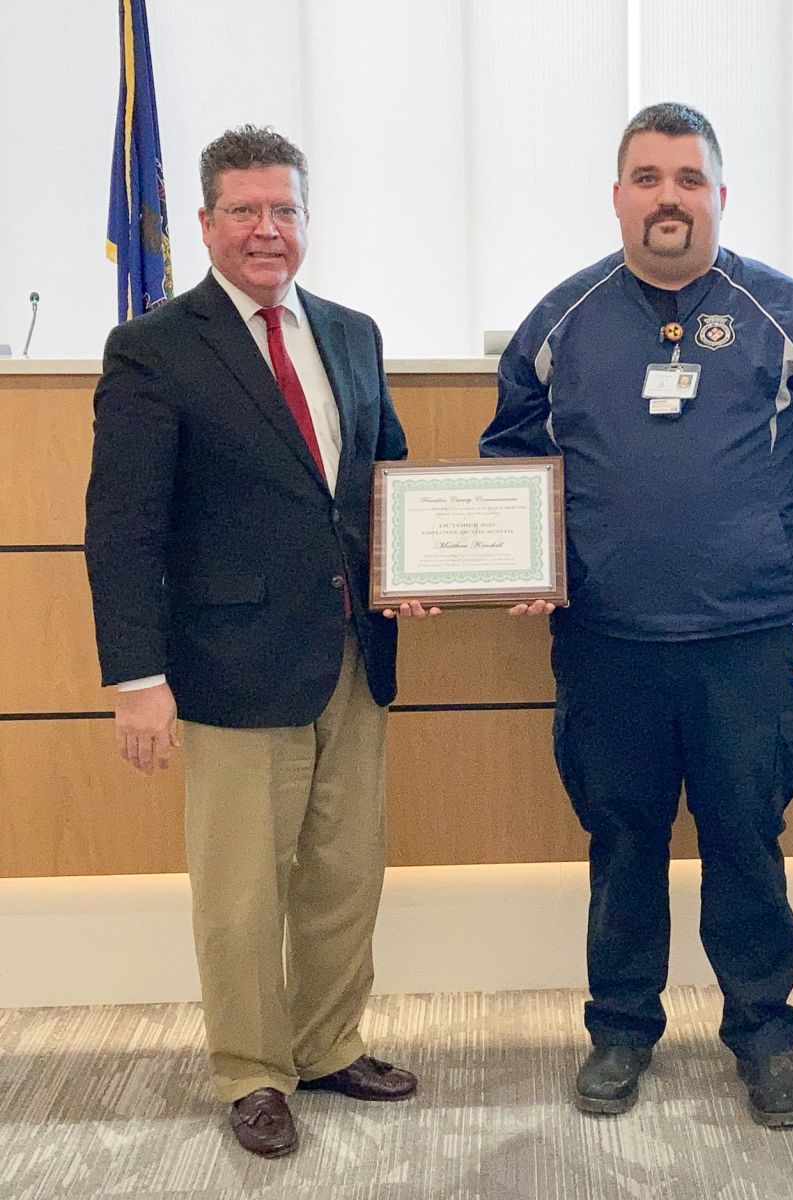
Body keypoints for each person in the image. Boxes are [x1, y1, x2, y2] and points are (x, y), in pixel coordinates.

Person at [480, 102, 793, 1128]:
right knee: (621, 845)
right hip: (608, 643)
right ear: (618, 196)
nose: (668, 197)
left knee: (748, 843)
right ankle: (619, 1031)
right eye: (648, 177)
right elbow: (510, 456)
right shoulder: (561, 318)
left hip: (750, 643)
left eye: (688, 178)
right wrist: (519, 553)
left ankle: (763, 1037)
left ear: (719, 196)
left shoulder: (785, 311)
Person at [85, 126, 415, 1158]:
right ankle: (252, 1070)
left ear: (305, 222)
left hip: (353, 655)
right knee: (239, 888)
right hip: (225, 668)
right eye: (244, 211)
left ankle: (325, 1045)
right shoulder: (156, 347)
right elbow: (124, 524)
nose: (266, 230)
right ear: (204, 223)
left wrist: (414, 570)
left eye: (284, 210)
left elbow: (383, 481)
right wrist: (137, 679)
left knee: (343, 872)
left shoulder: (351, 334)